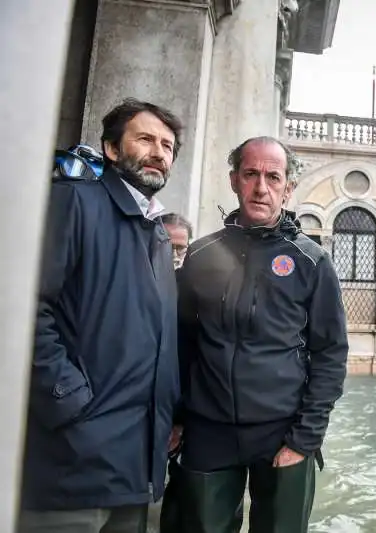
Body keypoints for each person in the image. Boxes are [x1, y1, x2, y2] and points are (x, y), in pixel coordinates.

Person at [18, 98, 184, 533]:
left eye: (167, 146)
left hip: (136, 468)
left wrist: (168, 415)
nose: (158, 153)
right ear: (111, 149)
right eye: (145, 139)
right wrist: (69, 401)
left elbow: (158, 338)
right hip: (74, 462)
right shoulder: (73, 201)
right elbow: (23, 308)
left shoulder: (159, 234)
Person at [173, 136, 349, 532]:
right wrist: (178, 416)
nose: (261, 187)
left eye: (273, 176)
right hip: (208, 430)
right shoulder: (200, 255)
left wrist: (305, 438)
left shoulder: (311, 261)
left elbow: (331, 354)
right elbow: (181, 342)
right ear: (234, 180)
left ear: (288, 188)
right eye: (251, 174)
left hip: (282, 433)